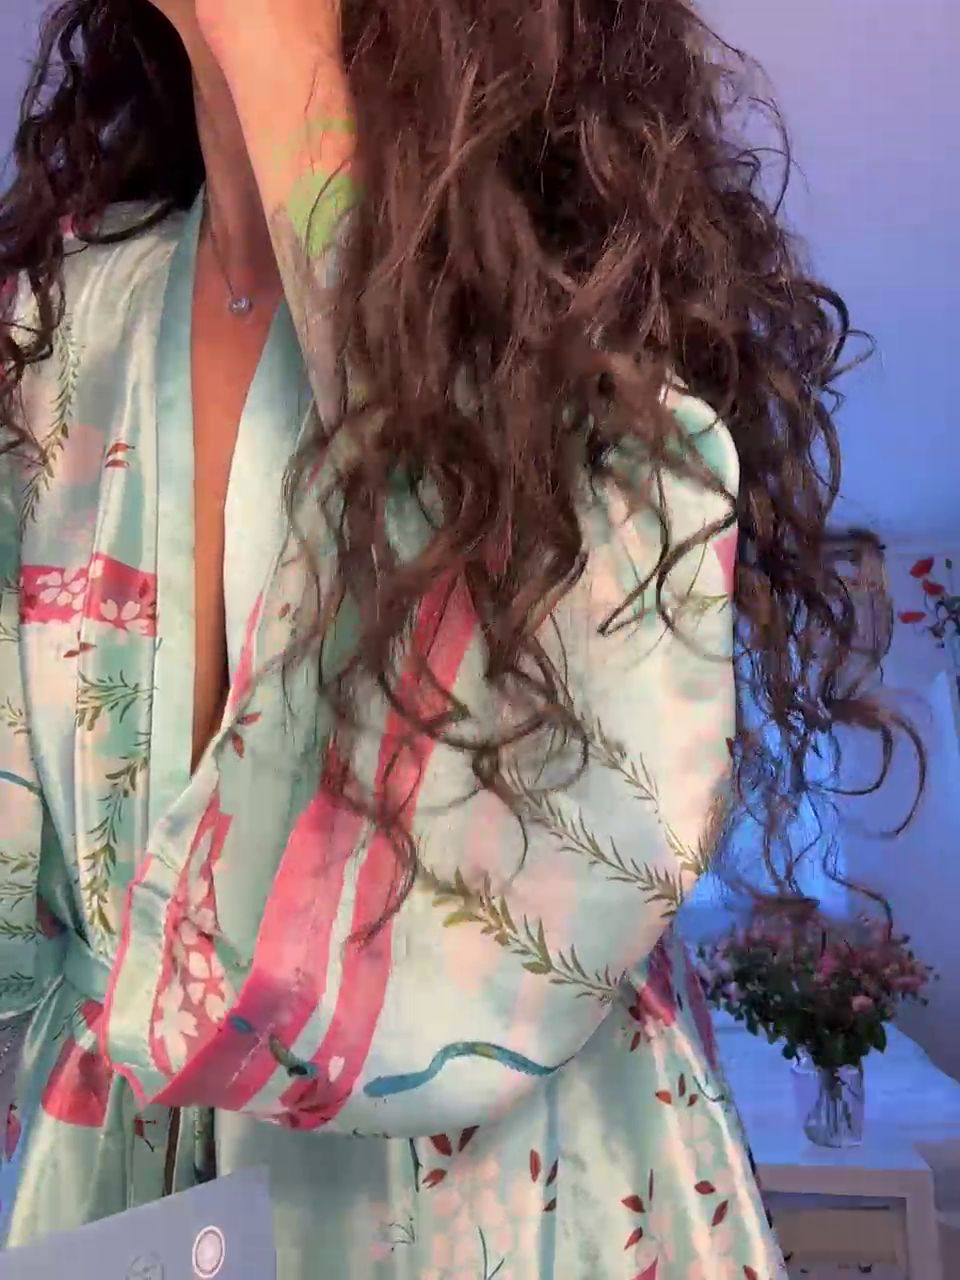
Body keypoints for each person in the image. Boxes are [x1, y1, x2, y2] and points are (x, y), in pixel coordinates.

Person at [0, 0, 912, 1276]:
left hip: (519, 1211)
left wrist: (279, 57)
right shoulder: (56, 322)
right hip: (123, 1201)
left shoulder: (562, 307)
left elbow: (564, 794)